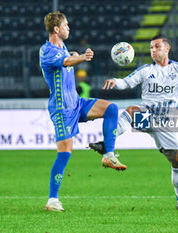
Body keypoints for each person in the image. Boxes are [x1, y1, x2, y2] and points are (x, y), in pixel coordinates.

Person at [89, 34, 178, 210]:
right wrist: (115, 81)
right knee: (132, 111)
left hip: (166, 123)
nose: (153, 50)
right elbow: (127, 82)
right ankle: (106, 144)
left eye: (157, 46)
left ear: (167, 48)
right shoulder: (146, 70)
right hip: (147, 115)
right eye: (151, 48)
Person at [39, 11, 126, 212]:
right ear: (56, 29)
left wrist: (76, 55)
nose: (69, 28)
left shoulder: (62, 46)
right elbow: (66, 62)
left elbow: (68, 57)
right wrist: (82, 58)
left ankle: (108, 154)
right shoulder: (46, 50)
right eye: (66, 25)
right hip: (62, 108)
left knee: (111, 108)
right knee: (65, 153)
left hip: (76, 103)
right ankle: (52, 200)